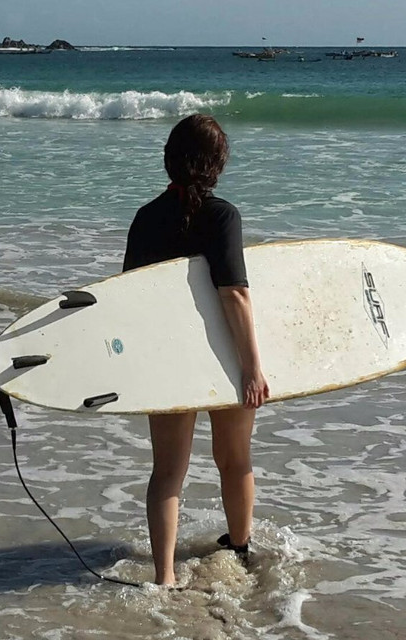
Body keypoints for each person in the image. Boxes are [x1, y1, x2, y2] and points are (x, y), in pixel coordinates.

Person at [122, 113, 270, 587]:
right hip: (223, 360)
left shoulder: (145, 218)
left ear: (170, 159)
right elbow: (234, 294)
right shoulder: (223, 216)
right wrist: (251, 368)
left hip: (166, 359)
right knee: (235, 459)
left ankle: (164, 576)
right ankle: (240, 550)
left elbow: (129, 298)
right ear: (216, 165)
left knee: (167, 472)